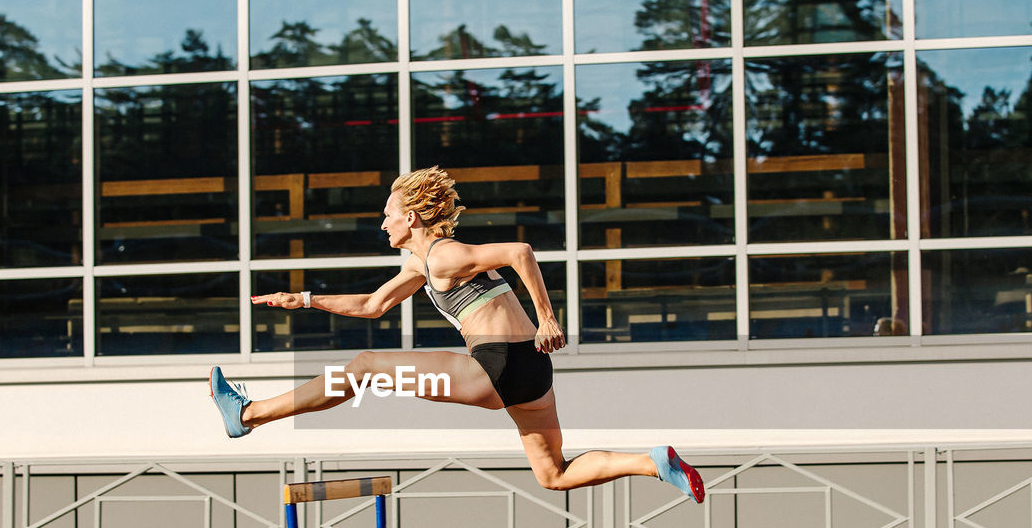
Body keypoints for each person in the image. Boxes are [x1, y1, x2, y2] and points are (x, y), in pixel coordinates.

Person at [209, 166, 703, 503]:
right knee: (553, 474)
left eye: (387, 215)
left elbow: (520, 252)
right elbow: (373, 305)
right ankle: (653, 462)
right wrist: (307, 299)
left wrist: (548, 318)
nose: (382, 224)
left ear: (412, 217)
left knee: (362, 370)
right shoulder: (423, 263)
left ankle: (248, 415)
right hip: (532, 374)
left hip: (496, 365)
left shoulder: (443, 255)